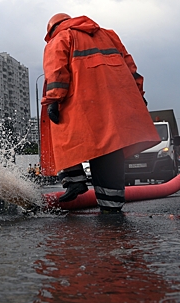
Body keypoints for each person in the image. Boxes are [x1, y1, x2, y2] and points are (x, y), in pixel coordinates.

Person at [40, 13, 161, 213]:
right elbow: (131, 67)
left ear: (52, 29)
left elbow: (56, 70)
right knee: (109, 149)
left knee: (59, 132)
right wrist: (138, 94)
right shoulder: (109, 35)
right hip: (113, 104)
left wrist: (54, 98)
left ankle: (74, 180)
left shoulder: (60, 38)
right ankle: (111, 206)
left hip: (80, 103)